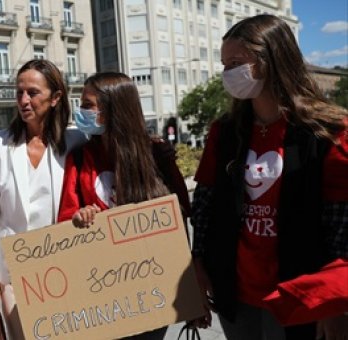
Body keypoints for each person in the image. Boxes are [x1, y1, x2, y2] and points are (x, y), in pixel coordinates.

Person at [190, 14, 348, 340]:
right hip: (236, 294)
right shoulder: (225, 132)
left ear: (270, 60)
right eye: (224, 64)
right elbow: (205, 203)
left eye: (236, 63)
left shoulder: (328, 133)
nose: (227, 74)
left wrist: (334, 301)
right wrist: (198, 262)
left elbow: (341, 226)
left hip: (300, 293)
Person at [57, 72, 192, 340]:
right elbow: (65, 217)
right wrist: (79, 217)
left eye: (87, 105)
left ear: (112, 109)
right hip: (102, 290)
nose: (80, 111)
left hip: (151, 290)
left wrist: (190, 291)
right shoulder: (81, 158)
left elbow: (180, 215)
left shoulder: (155, 155)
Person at [0, 59, 87, 339]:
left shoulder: (76, 142)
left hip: (64, 270)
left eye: (33, 93)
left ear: (55, 98)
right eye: (19, 92)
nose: (24, 100)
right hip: (14, 274)